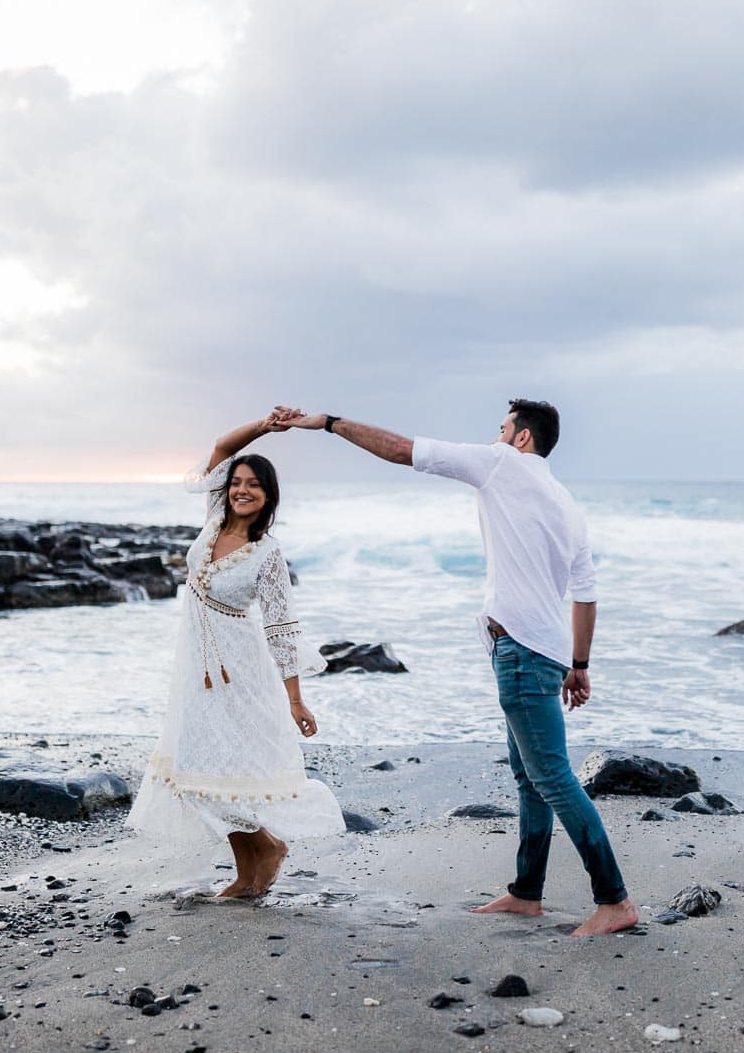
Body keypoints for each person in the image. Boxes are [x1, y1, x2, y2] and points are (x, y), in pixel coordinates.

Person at [274, 400, 637, 936]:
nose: (494, 438)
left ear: (521, 439)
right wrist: (579, 664)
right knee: (531, 778)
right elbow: (586, 594)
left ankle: (614, 901)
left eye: (501, 429)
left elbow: (401, 450)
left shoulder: (499, 464)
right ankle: (526, 893)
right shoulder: (566, 501)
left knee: (552, 777)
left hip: (521, 652)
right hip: (547, 650)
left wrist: (327, 424)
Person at [125, 412, 344, 897]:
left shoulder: (267, 553)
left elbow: (282, 628)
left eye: (254, 485)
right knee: (196, 769)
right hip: (193, 672)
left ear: (269, 496)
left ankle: (260, 857)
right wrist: (265, 426)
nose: (242, 490)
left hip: (240, 672)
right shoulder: (212, 519)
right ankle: (257, 857)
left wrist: (295, 699)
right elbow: (222, 445)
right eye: (237, 483)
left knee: (228, 771)